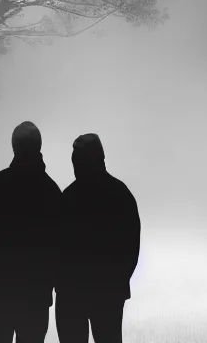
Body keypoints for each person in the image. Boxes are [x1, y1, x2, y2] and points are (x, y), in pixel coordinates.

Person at [0, 121, 62, 343]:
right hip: (35, 298)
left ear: (14, 147)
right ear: (39, 147)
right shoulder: (51, 193)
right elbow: (63, 248)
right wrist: (51, 285)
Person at [56, 133, 141, 343]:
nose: (75, 166)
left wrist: (60, 283)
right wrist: (118, 281)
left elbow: (54, 246)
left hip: (71, 295)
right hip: (109, 294)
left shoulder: (67, 198)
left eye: (77, 161)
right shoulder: (121, 195)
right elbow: (131, 248)